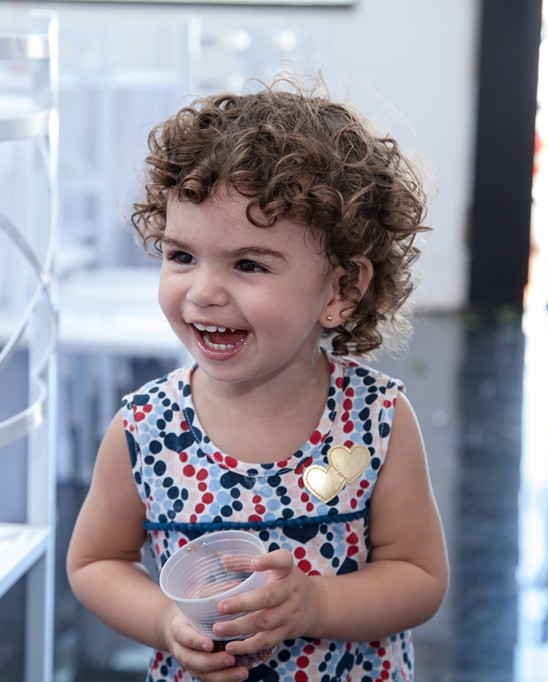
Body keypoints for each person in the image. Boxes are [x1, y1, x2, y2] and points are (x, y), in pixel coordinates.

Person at [66, 77, 448, 682]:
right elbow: (95, 562)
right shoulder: (146, 428)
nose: (203, 291)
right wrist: (165, 621)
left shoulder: (374, 420)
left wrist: (316, 604)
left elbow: (419, 577)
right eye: (181, 256)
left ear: (342, 289)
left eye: (248, 264)